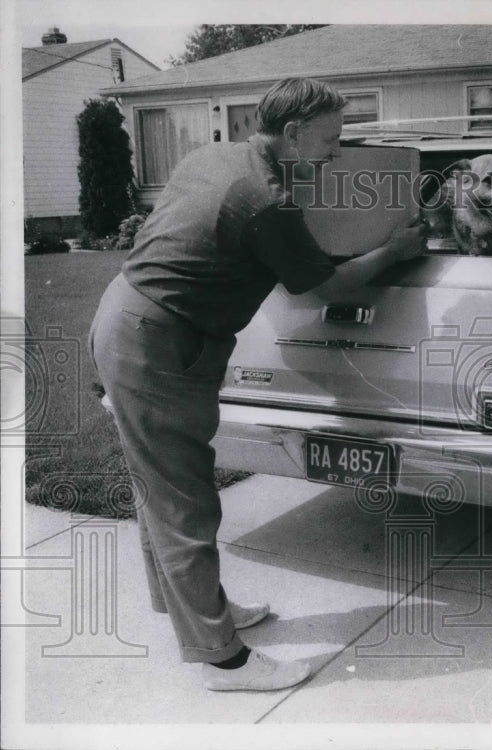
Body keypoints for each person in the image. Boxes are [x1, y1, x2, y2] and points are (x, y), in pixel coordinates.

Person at [89, 78, 425, 691]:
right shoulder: (264, 199)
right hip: (159, 340)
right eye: (329, 139)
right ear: (293, 134)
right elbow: (331, 287)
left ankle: (195, 612)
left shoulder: (215, 155)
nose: (336, 152)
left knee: (161, 487)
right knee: (183, 501)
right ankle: (223, 660)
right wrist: (396, 249)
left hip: (134, 316)